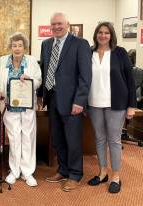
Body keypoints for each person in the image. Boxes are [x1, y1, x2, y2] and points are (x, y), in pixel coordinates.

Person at [37, 12, 92, 192]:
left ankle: (75, 175)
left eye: (60, 23)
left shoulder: (80, 44)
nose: (57, 27)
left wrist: (80, 101)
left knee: (73, 140)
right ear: (50, 26)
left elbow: (85, 76)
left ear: (67, 24)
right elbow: (44, 71)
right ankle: (63, 169)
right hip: (52, 99)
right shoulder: (46, 44)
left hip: (72, 102)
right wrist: (40, 95)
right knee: (58, 139)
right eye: (53, 24)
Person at [87, 22, 136, 193]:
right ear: (96, 34)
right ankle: (102, 173)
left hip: (116, 104)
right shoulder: (89, 53)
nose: (103, 35)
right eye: (100, 32)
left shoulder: (120, 53)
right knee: (99, 139)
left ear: (111, 35)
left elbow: (130, 80)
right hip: (94, 103)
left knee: (114, 140)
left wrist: (131, 105)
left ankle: (116, 176)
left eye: (106, 33)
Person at [0, 32, 42, 187]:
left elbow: (39, 80)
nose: (17, 48)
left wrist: (30, 81)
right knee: (14, 137)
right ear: (10, 47)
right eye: (14, 45)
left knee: (28, 136)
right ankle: (14, 171)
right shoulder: (2, 61)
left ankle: (27, 172)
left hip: (27, 105)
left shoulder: (32, 61)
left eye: (20, 45)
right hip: (9, 105)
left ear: (24, 47)